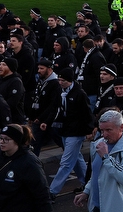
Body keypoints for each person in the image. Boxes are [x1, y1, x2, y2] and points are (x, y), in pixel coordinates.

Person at [39, 69, 94, 199]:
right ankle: (87, 184)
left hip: (75, 132)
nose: (60, 82)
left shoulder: (79, 94)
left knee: (66, 162)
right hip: (64, 130)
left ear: (70, 80)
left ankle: (52, 191)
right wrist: (47, 121)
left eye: (63, 80)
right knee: (77, 159)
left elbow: (87, 113)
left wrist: (89, 130)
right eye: (59, 79)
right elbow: (54, 108)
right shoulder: (61, 92)